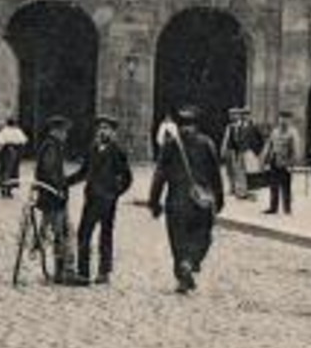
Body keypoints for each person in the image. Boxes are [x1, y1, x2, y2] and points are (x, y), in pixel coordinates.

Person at [148, 105, 225, 294]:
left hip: (176, 203)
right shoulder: (207, 143)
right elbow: (216, 175)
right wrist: (219, 199)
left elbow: (159, 175)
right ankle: (190, 262)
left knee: (178, 241)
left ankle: (183, 272)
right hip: (201, 202)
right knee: (203, 237)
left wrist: (154, 201)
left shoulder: (170, 145)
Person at [76, 114, 134, 284]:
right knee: (84, 233)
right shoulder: (92, 149)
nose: (103, 131)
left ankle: (104, 271)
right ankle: (83, 272)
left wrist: (115, 193)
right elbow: (83, 172)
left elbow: (127, 177)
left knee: (105, 235)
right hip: (91, 198)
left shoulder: (117, 151)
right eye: (100, 128)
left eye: (107, 129)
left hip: (107, 201)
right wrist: (65, 182)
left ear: (113, 133)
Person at [34, 114, 77, 283]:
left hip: (51, 197)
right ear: (57, 131)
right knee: (63, 233)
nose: (66, 135)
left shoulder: (52, 145)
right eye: (65, 131)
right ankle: (63, 273)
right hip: (53, 198)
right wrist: (59, 188)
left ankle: (61, 271)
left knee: (59, 232)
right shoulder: (52, 147)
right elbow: (50, 171)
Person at [261, 109, 302, 216]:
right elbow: (269, 145)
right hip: (274, 162)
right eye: (281, 118)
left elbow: (296, 150)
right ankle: (273, 207)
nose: (283, 121)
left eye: (285, 119)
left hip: (285, 163)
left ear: (289, 120)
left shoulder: (293, 132)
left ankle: (287, 208)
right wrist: (264, 159)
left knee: (286, 187)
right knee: (273, 185)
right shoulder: (275, 131)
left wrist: (292, 164)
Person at [221, 108, 255, 200]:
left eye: (234, 114)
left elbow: (254, 138)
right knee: (232, 170)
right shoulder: (232, 126)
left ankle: (244, 190)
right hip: (234, 150)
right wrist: (224, 149)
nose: (232, 116)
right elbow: (228, 138)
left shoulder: (250, 126)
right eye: (231, 114)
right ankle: (235, 188)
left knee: (244, 170)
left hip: (243, 150)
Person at [0, 117, 29, 197]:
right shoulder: (17, 131)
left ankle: (4, 188)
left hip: (5, 151)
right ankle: (8, 189)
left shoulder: (4, 131)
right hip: (14, 151)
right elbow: (24, 141)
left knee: (4, 170)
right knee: (12, 170)